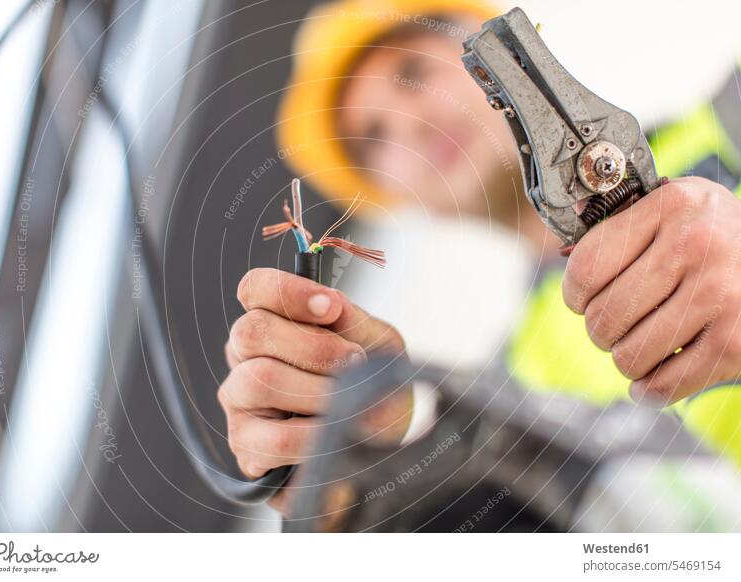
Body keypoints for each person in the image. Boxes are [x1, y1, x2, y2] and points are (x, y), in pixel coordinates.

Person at [218, 0, 741, 511]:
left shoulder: (731, 113)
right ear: (396, 201)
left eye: (411, 71)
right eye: (376, 137)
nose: (412, 124)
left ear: (485, 57)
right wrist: (347, 488)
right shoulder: (516, 388)